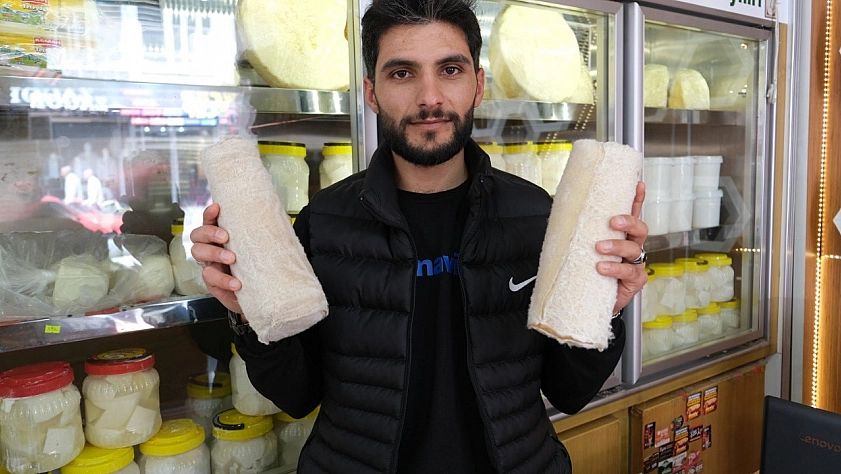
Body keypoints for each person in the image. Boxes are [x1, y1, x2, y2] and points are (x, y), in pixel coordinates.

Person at [191, 0, 648, 472]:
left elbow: (569, 391)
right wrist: (247, 312)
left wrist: (608, 307)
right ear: (371, 92)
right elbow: (296, 395)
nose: (430, 97)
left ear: (478, 85)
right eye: (402, 73)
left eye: (450, 70)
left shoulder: (533, 216)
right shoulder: (325, 221)